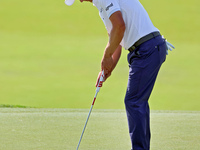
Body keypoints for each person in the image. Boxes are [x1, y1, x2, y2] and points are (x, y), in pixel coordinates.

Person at [80, 0, 174, 149]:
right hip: (146, 48)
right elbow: (116, 38)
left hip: (147, 49)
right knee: (137, 101)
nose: (79, 0)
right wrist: (107, 69)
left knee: (134, 101)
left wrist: (106, 56)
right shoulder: (100, 5)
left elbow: (120, 26)